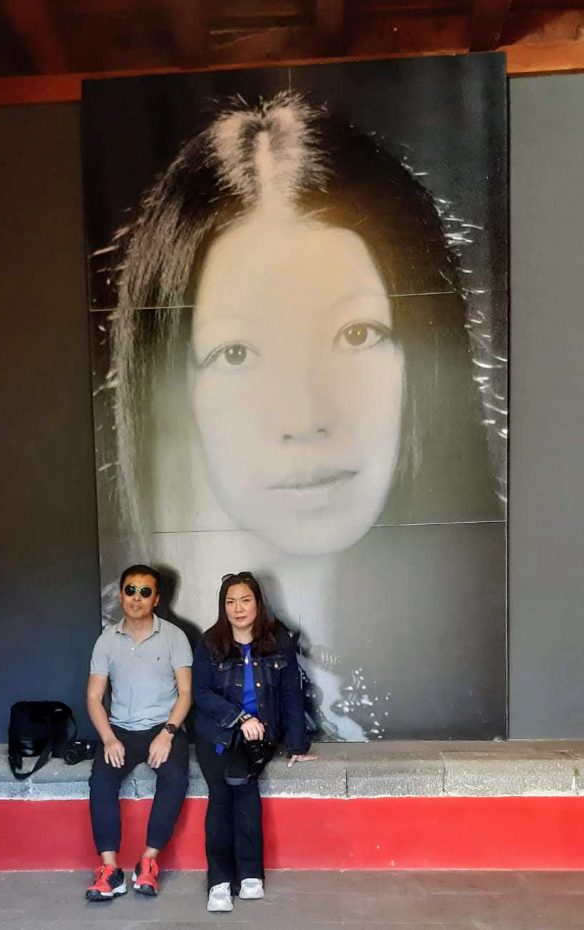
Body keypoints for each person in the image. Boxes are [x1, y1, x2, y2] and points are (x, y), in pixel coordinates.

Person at [97, 91, 506, 740]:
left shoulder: (491, 638)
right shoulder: (143, 643)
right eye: (237, 352)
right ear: (170, 383)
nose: (306, 416)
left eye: (356, 335)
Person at [192, 571, 315, 912]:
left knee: (244, 790)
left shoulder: (278, 641)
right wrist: (238, 718)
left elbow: (292, 693)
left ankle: (249, 875)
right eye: (230, 602)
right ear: (223, 607)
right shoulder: (210, 643)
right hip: (218, 731)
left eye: (245, 600)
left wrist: (296, 745)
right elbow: (199, 693)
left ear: (257, 603)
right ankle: (219, 879)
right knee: (221, 794)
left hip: (258, 737)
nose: (238, 608)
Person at [85, 564, 192, 901]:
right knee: (101, 778)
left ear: (156, 599)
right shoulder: (106, 641)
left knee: (175, 776)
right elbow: (93, 696)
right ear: (121, 595)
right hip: (121, 730)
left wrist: (168, 732)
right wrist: (108, 738)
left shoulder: (175, 637)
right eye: (130, 590)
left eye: (145, 592)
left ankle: (149, 861)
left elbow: (186, 693)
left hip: (164, 727)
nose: (136, 598)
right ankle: (110, 870)